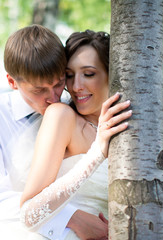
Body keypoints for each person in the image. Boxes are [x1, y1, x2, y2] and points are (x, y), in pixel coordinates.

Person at [0, 25, 117, 240]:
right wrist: (72, 218)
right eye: (39, 90)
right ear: (12, 82)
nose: (54, 97)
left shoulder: (76, 108)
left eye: (60, 82)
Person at [19, 30, 132, 239]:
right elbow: (28, 213)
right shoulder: (62, 117)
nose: (76, 86)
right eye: (69, 76)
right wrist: (96, 153)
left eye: (88, 74)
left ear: (112, 75)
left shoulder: (130, 129)